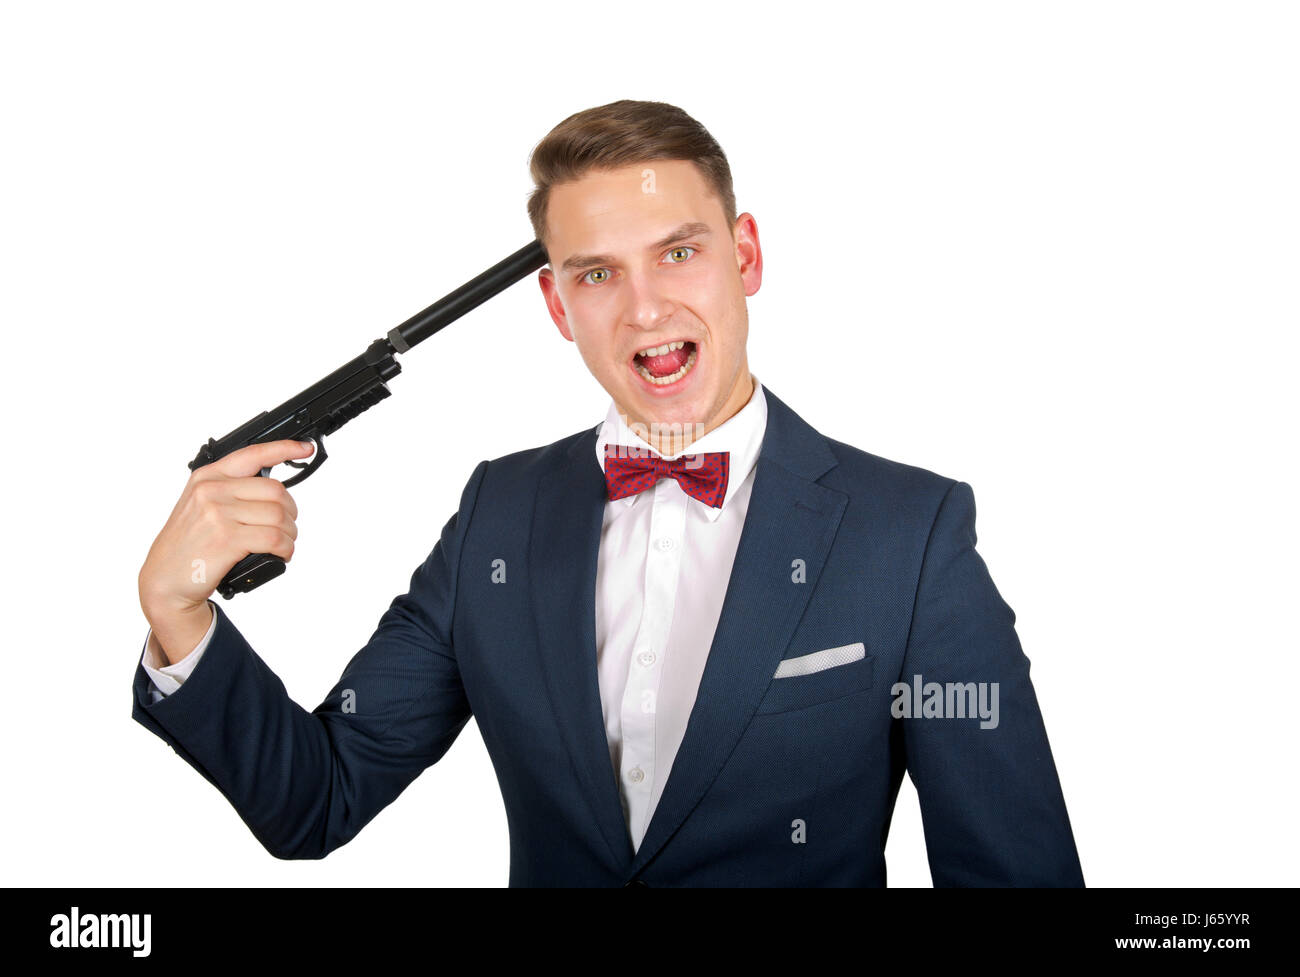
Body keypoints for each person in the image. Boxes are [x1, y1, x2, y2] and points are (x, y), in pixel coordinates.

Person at [134, 99, 1084, 887]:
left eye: (679, 253)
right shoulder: (495, 519)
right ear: (557, 305)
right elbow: (318, 796)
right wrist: (179, 611)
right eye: (597, 273)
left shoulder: (910, 537)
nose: (644, 308)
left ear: (745, 257)